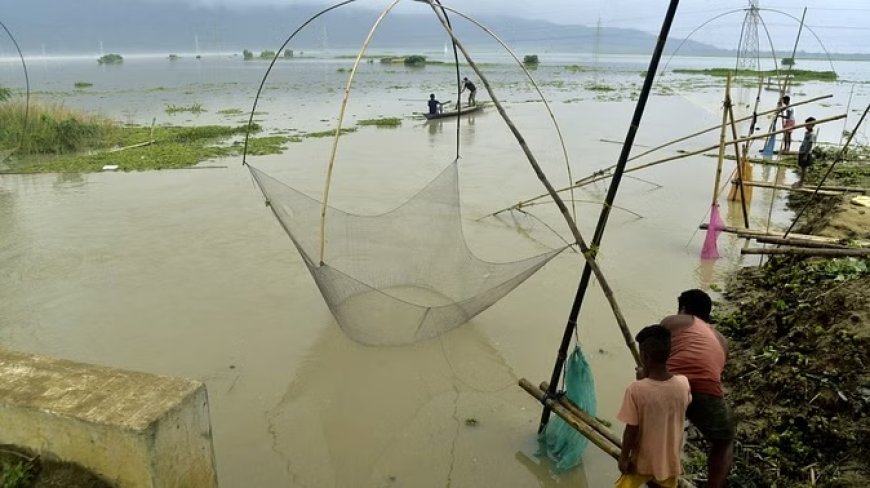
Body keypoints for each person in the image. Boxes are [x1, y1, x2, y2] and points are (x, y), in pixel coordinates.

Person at [661, 289, 733, 488]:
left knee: (658, 434)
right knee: (724, 441)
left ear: (683, 309)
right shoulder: (722, 340)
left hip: (672, 386)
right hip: (706, 391)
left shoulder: (674, 322)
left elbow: (654, 352)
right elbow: (712, 372)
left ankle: (657, 478)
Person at [616, 325, 692, 488]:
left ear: (644, 356)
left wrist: (623, 458)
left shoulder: (635, 390)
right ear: (669, 354)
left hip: (642, 463)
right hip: (669, 463)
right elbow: (671, 401)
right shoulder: (683, 384)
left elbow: (631, 429)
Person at [797, 116, 817, 186]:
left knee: (804, 168)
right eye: (806, 124)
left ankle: (801, 182)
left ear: (812, 125)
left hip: (806, 153)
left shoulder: (812, 134)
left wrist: (805, 155)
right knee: (802, 167)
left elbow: (810, 145)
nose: (806, 126)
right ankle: (801, 181)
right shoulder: (806, 133)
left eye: (807, 125)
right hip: (802, 151)